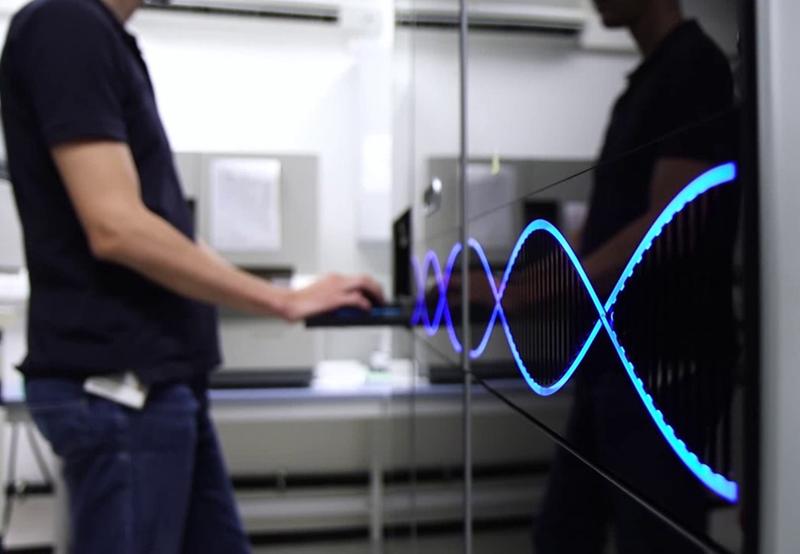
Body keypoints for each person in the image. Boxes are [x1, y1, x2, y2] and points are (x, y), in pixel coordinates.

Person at [0, 0, 383, 552]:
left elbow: (161, 229)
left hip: (156, 388)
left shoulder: (106, 38)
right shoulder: (67, 24)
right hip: (120, 391)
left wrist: (288, 294)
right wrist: (282, 302)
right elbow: (116, 226)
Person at [532, 0, 738, 552]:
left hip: (660, 380)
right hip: (616, 372)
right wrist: (510, 289)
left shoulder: (694, 68)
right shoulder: (645, 85)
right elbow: (605, 231)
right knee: (560, 536)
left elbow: (671, 222)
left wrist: (555, 284)